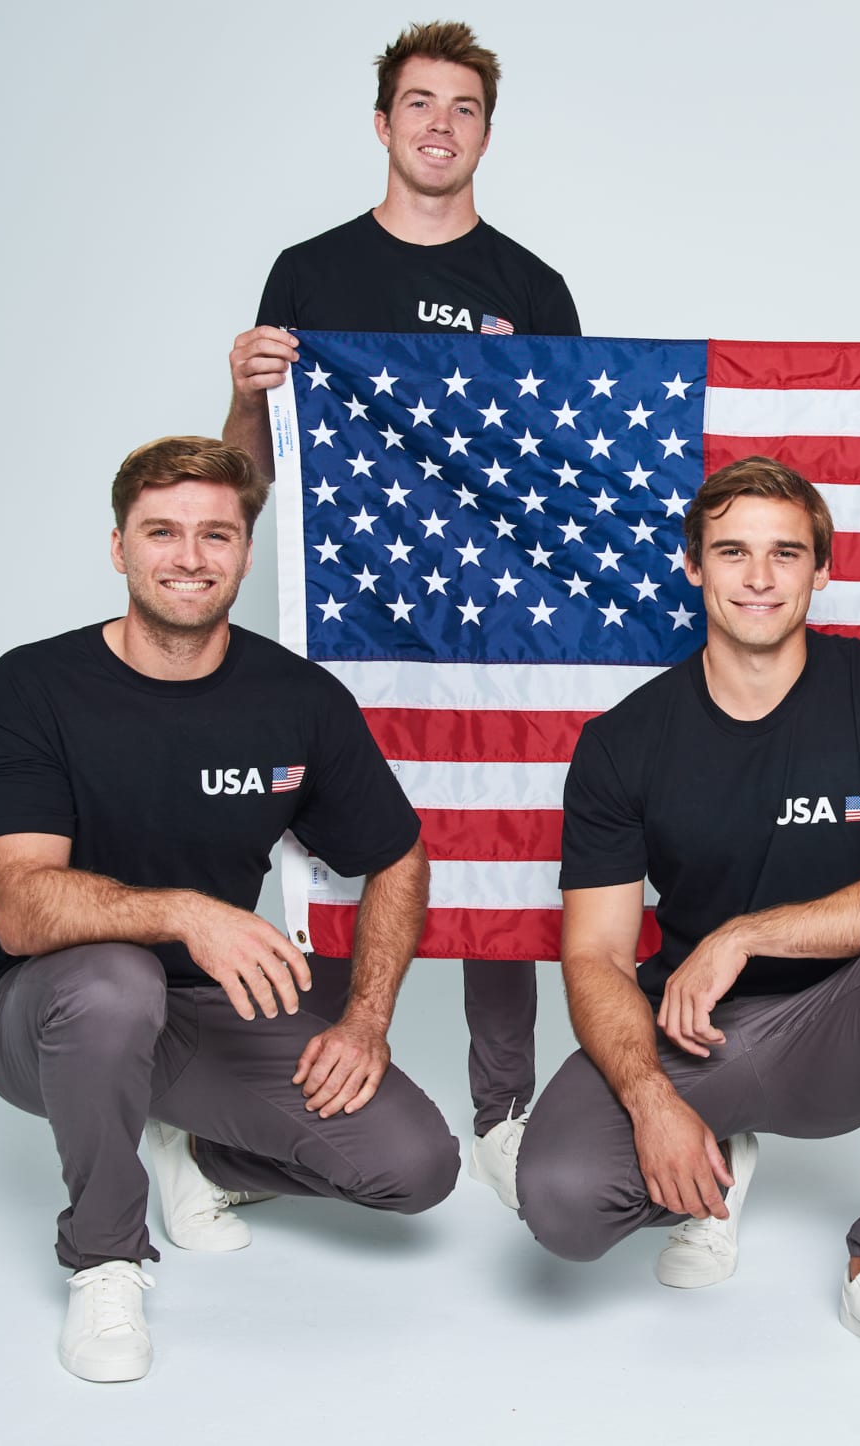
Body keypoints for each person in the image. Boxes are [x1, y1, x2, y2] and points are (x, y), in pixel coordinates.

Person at [0, 437, 458, 1382]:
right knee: (117, 981)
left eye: (216, 535)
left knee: (416, 1167)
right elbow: (23, 907)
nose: (189, 557)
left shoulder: (298, 699)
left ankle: (198, 1146)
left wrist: (365, 1018)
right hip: (51, 1012)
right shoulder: (35, 685)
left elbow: (398, 858)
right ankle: (106, 1257)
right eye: (162, 532)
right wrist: (187, 913)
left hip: (209, 1009)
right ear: (120, 549)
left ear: (244, 551)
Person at [516, 457, 860, 1385]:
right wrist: (653, 1103)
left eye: (787, 553)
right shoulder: (623, 740)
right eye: (733, 552)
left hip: (847, 1031)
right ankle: (713, 1167)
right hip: (695, 1039)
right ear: (693, 566)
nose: (761, 577)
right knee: (562, 1205)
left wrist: (741, 934)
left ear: (824, 569)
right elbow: (596, 955)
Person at [222, 20, 580, 1200]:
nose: (439, 125)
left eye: (463, 107)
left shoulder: (533, 289)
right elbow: (251, 478)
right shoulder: (311, 274)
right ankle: (305, 1081)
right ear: (383, 125)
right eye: (418, 104)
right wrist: (241, 392)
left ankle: (505, 1110)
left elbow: (563, 474)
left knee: (498, 841)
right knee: (339, 843)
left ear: (488, 129)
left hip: (493, 627)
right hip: (354, 613)